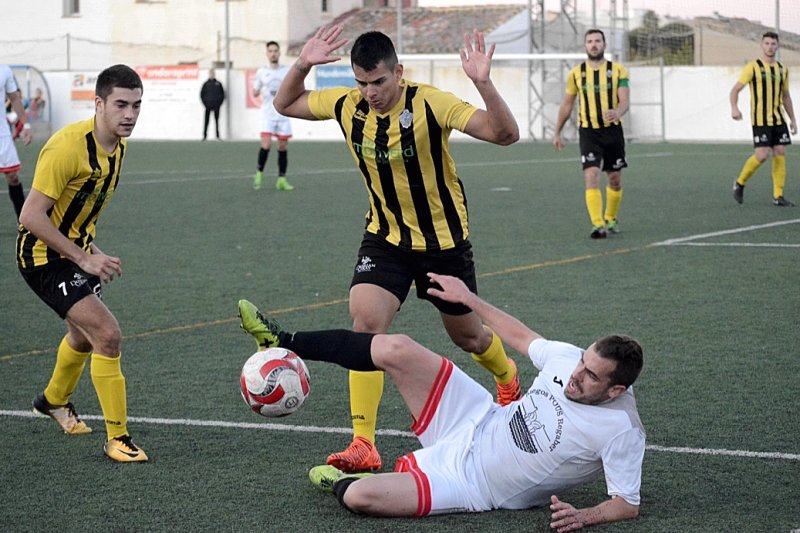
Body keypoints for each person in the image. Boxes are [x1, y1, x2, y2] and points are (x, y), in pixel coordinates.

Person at [257, 25, 521, 473]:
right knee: (365, 325)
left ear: (398, 72)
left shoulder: (430, 102)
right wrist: (302, 64)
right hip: (386, 238)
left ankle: (507, 378)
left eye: (378, 82)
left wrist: (483, 82)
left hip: (442, 242)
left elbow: (504, 134)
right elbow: (284, 104)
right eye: (362, 82)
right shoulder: (347, 105)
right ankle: (364, 442)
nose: (370, 92)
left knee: (469, 337)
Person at [236, 272, 645, 529]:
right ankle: (284, 341)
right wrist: (469, 299)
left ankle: (348, 482)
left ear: (616, 392)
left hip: (474, 484)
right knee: (397, 347)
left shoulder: (622, 430)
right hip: (476, 418)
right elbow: (521, 336)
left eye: (591, 375)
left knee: (360, 498)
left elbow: (626, 504)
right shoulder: (568, 359)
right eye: (582, 362)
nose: (576, 374)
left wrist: (585, 516)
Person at [16, 64, 148, 463]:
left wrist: (90, 252)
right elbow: (30, 216)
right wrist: (83, 258)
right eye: (121, 104)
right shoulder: (66, 147)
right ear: (99, 103)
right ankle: (117, 438)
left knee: (82, 336)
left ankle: (53, 400)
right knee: (107, 334)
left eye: (137, 106)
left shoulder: (118, 145)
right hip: (42, 258)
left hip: (76, 255)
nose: (129, 114)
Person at [553, 29, 630, 239]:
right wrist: (557, 131)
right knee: (591, 175)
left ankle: (610, 218)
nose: (594, 44)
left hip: (613, 132)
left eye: (597, 41)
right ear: (585, 46)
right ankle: (598, 225)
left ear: (604, 45)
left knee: (614, 179)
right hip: (588, 132)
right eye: (590, 41)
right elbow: (567, 104)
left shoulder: (618, 70)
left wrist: (617, 112)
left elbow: (624, 100)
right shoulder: (576, 74)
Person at [730, 31, 797, 207]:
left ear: (778, 46)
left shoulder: (782, 69)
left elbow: (786, 96)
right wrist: (734, 107)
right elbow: (735, 90)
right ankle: (740, 182)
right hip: (760, 120)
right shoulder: (753, 67)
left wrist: (793, 120)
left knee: (780, 152)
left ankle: (778, 196)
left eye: (773, 43)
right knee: (761, 156)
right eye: (766, 43)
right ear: (762, 45)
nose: (770, 47)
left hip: (778, 119)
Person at [252, 41, 293, 191]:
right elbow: (255, 90)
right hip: (268, 115)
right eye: (270, 51)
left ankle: (281, 179)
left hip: (283, 114)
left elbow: (293, 87)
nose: (273, 53)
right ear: (267, 53)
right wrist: (256, 91)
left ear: (279, 53)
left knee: (282, 147)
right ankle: (259, 174)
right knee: (266, 145)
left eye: (275, 51)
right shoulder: (262, 72)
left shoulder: (286, 71)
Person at [1, 64, 32, 222]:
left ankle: (25, 221)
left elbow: (14, 98)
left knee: (13, 176)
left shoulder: (4, 70)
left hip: (3, 135)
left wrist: (25, 125)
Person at [200, 69, 224, 140]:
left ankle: (217, 136)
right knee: (206, 121)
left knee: (217, 121)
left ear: (214, 74)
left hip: (216, 106)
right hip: (208, 106)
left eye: (213, 74)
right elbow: (202, 95)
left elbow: (222, 95)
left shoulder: (218, 84)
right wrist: (205, 104)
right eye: (210, 74)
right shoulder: (206, 84)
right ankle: (205, 136)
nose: (212, 75)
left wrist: (219, 104)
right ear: (209, 74)